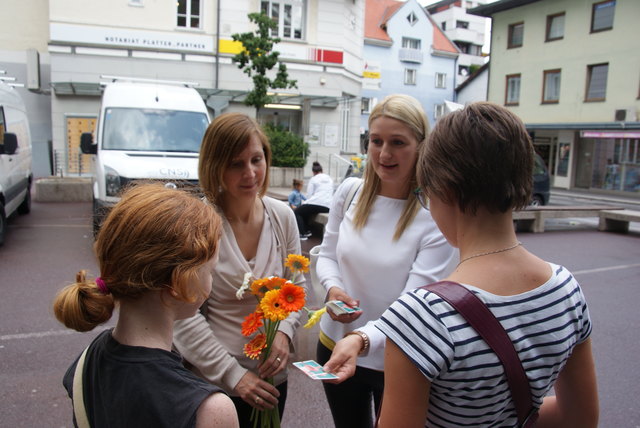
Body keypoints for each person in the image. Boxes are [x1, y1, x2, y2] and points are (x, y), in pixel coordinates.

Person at [377, 102, 599, 427]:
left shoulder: (420, 317)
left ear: (446, 189)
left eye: (426, 194)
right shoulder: (566, 290)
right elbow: (580, 418)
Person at [315, 94, 456, 428]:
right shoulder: (349, 192)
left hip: (399, 361)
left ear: (421, 146)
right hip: (335, 343)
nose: (384, 154)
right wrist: (333, 288)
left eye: (398, 142)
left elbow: (413, 306)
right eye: (375, 141)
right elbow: (327, 255)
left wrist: (361, 339)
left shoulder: (434, 215)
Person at [52, 183, 239, 428]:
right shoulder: (209, 411)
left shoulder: (87, 362)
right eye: (211, 271)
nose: (212, 280)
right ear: (179, 282)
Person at [172, 112, 303, 428]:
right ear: (214, 167)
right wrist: (235, 377)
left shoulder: (282, 217)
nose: (250, 173)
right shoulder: (198, 225)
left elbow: (295, 286)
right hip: (215, 381)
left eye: (256, 159)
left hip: (272, 377)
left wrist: (283, 334)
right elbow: (182, 315)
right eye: (235, 163)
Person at [295, 161, 334, 240]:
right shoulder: (329, 179)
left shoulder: (313, 179)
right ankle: (307, 231)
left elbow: (309, 195)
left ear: (313, 172)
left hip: (316, 203)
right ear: (321, 171)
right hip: (328, 206)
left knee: (297, 212)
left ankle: (303, 234)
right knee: (305, 211)